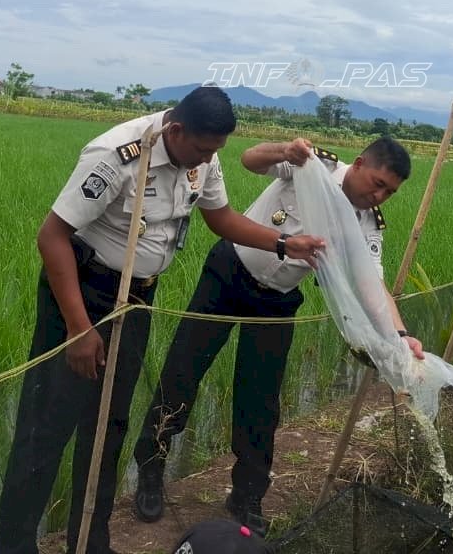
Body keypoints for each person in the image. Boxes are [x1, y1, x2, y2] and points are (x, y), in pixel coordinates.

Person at [0, 86, 326, 554]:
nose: (207, 160)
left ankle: (90, 542)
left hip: (136, 301)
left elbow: (222, 217)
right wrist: (78, 329)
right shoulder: (115, 156)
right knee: (45, 429)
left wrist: (283, 244)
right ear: (175, 130)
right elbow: (51, 237)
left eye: (214, 152)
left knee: (108, 426)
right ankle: (13, 547)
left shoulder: (202, 156)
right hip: (82, 295)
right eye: (202, 149)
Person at [132, 135, 421, 535]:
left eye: (389, 192)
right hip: (228, 273)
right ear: (357, 164)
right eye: (377, 183)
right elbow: (250, 159)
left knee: (261, 400)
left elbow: (373, 286)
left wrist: (400, 334)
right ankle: (151, 467)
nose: (380, 196)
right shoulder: (311, 167)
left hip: (277, 300)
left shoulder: (366, 224)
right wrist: (286, 151)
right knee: (183, 371)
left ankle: (247, 495)